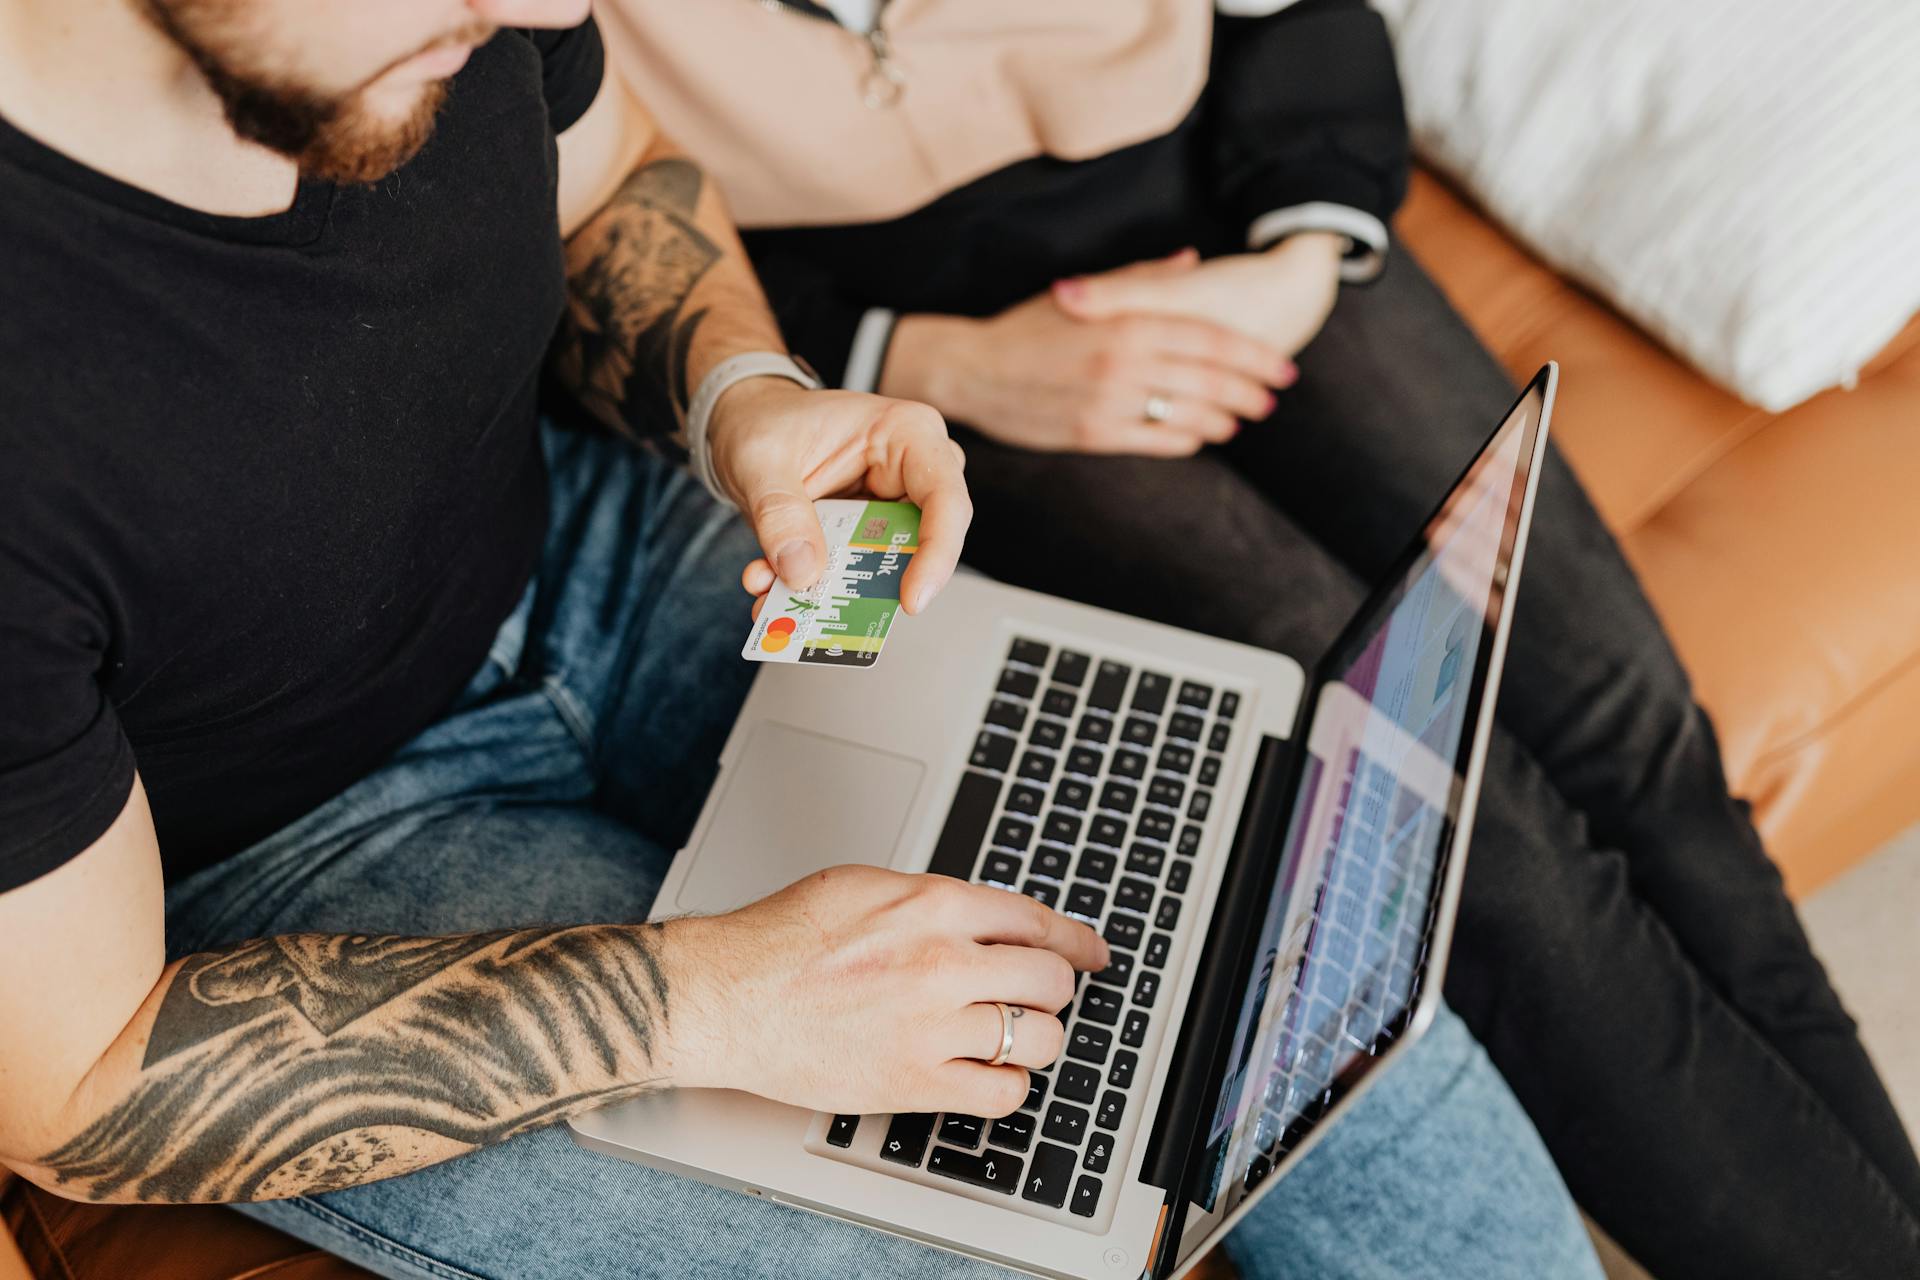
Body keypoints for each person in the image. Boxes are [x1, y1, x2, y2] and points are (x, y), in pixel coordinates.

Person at [0, 3, 1609, 1278]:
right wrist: (721, 1003)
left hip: (612, 540)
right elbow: (74, 1088)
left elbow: (611, 163)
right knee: (984, 1241)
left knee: (1278, 959)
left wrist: (745, 399)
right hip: (286, 863)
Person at [593, 1, 1920, 1276]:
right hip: (935, 359)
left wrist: (1300, 258)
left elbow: (1305, 17)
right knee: (1455, 827)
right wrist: (920, 357)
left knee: (1635, 729)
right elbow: (585, 239)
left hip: (1241, 216)